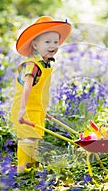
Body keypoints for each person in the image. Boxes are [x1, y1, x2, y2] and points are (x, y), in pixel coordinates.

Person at [10, 16, 72, 173]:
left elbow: (40, 91)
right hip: (25, 108)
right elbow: (27, 88)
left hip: (37, 109)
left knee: (35, 139)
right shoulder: (31, 65)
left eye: (55, 42)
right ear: (35, 45)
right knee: (28, 138)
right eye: (47, 42)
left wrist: (44, 112)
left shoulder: (45, 64)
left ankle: (33, 167)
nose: (53, 46)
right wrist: (22, 109)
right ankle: (23, 170)